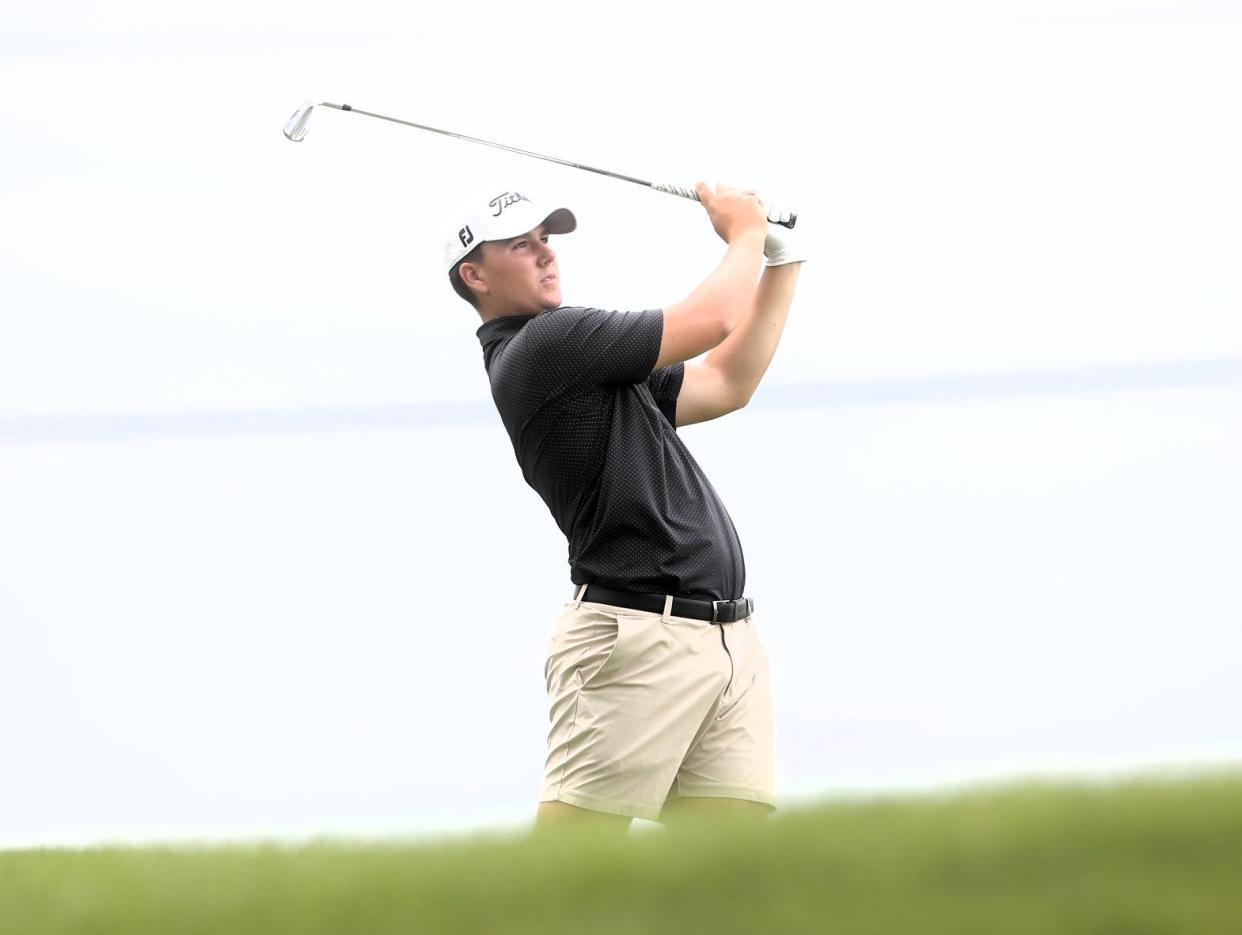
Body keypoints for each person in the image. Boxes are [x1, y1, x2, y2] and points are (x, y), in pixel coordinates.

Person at [443, 182, 804, 831]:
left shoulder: (580, 356)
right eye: (520, 246)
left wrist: (783, 260)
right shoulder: (547, 345)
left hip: (725, 640)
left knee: (727, 874)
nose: (545, 254)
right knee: (570, 871)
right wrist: (745, 232)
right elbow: (712, 319)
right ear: (475, 275)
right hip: (637, 638)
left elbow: (727, 381)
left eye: (545, 240)